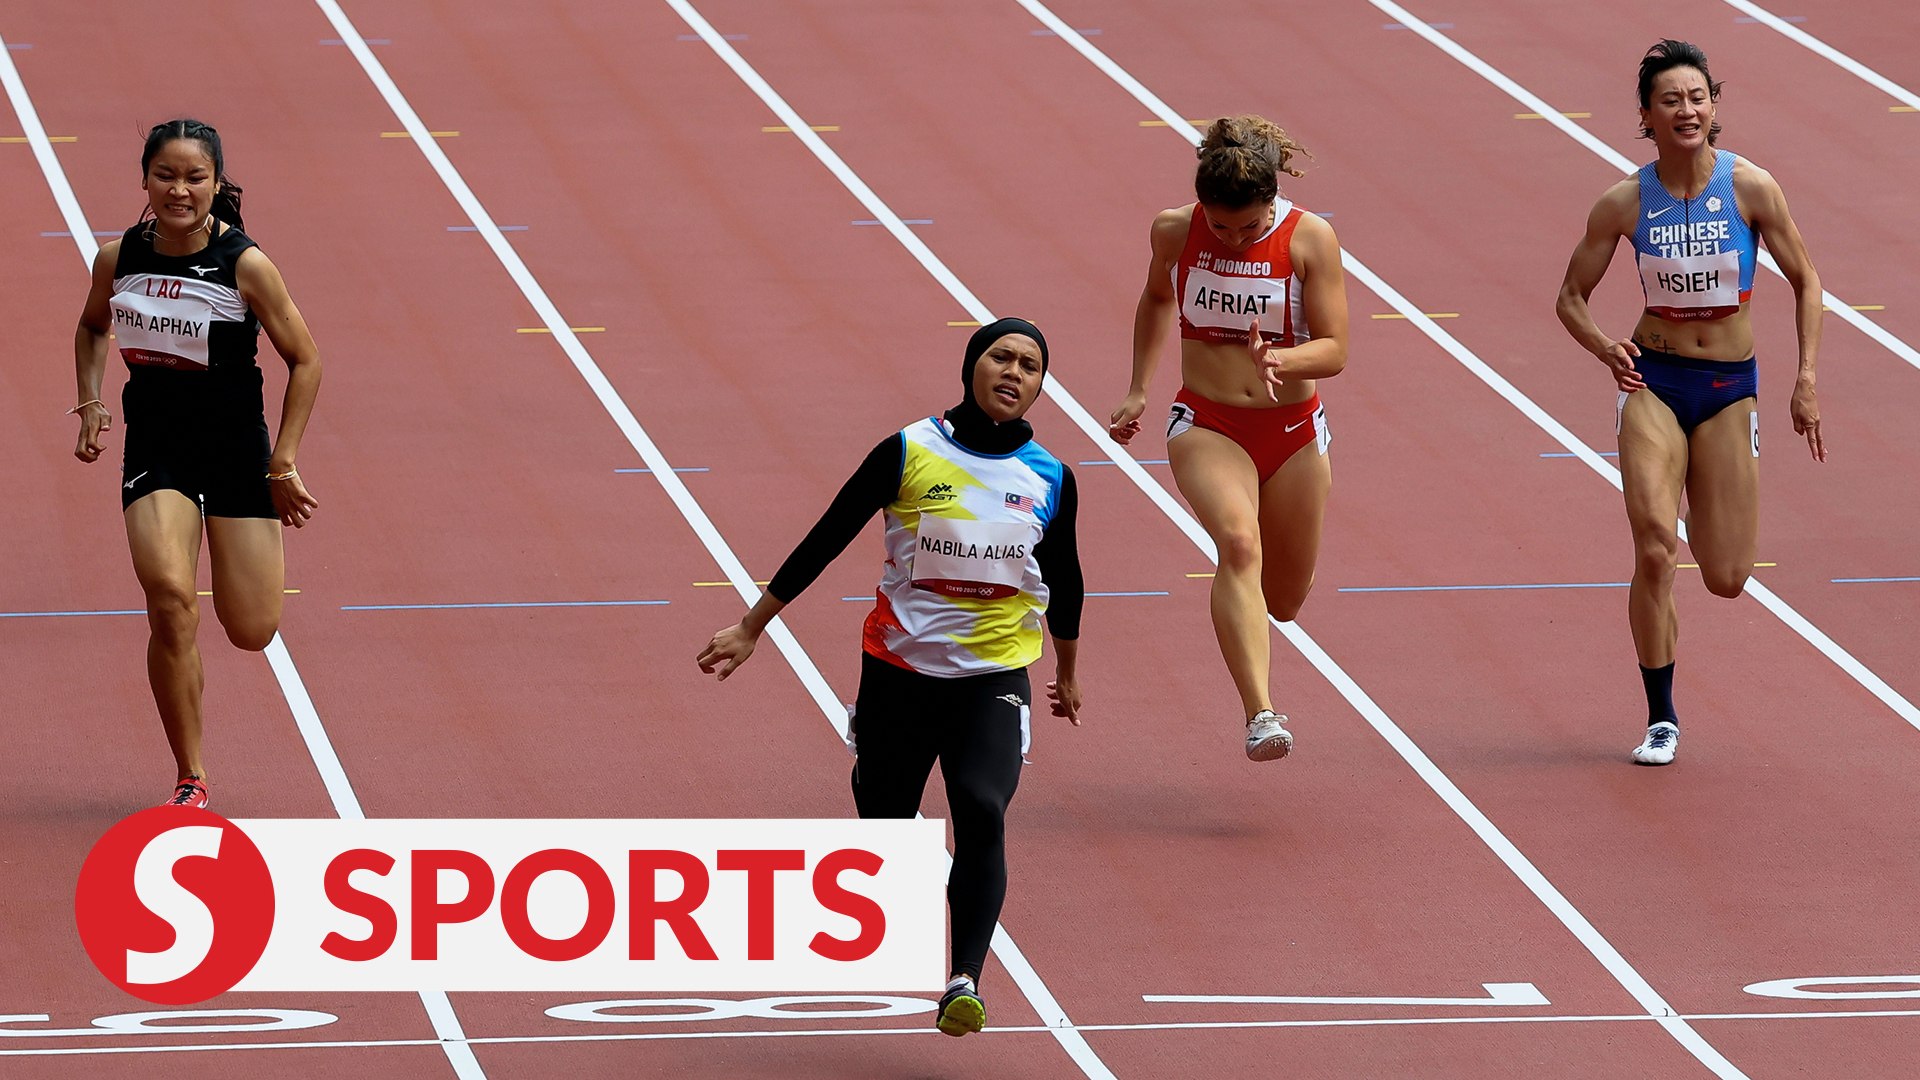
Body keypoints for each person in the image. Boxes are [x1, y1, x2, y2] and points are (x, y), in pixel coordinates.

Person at [698, 318, 1083, 1037]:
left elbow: (1065, 577)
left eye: (1030, 366)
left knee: (982, 807)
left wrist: (1067, 668)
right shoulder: (908, 450)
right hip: (899, 673)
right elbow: (828, 535)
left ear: (1039, 387)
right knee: (886, 823)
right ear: (970, 366)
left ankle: (963, 978)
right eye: (1000, 356)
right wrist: (753, 626)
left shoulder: (1050, 477)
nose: (1013, 372)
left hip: (992, 677)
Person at [1556, 40, 1824, 765]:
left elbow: (1807, 281)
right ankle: (1661, 718)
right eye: (1670, 100)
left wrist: (1804, 378)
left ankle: (1706, 500)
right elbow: (1570, 296)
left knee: (1728, 577)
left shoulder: (1751, 188)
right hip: (1654, 381)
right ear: (1646, 115)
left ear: (1713, 106)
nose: (1687, 110)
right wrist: (1604, 346)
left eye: (1697, 97)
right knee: (1653, 545)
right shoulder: (1623, 201)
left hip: (1729, 388)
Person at [71, 119, 323, 807]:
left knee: (251, 629)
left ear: (216, 183)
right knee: (170, 600)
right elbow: (92, 326)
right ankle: (191, 775)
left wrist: (282, 462)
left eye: (194, 177)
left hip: (236, 452)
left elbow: (306, 360)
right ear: (145, 180)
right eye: (166, 175)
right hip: (157, 449)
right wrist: (91, 400)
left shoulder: (245, 265)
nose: (179, 190)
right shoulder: (117, 257)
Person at [1107, 114, 1349, 761]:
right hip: (1208, 424)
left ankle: (1261, 628)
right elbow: (1157, 298)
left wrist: (1282, 359)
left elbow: (1335, 348)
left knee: (1284, 601)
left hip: (1293, 431)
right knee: (1239, 544)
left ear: (1272, 200)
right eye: (1220, 227)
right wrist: (1138, 387)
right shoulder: (1173, 230)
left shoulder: (1310, 239)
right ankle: (1261, 714)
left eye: (1249, 227)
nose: (1235, 239)